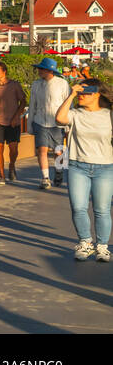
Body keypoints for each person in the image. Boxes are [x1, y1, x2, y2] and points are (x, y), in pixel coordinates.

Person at [56, 79, 113, 262]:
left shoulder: (109, 115)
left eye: (85, 92)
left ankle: (102, 247)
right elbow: (59, 118)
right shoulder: (75, 114)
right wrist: (71, 94)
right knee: (78, 208)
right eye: (80, 92)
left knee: (102, 210)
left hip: (105, 167)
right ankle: (85, 243)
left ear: (97, 94)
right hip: (77, 166)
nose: (81, 95)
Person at [30, 57, 72, 190]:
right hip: (40, 121)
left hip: (57, 123)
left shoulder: (62, 84)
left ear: (49, 70)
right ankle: (45, 178)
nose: (39, 71)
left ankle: (59, 172)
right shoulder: (36, 84)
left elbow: (68, 104)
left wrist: (68, 124)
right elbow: (32, 105)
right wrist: (30, 124)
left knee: (58, 152)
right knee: (41, 150)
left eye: (41, 69)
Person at [0, 61, 27, 184]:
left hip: (13, 123)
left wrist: (16, 117)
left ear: (4, 71)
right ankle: (1, 175)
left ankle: (12, 166)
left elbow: (23, 102)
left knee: (13, 150)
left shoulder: (15, 85)